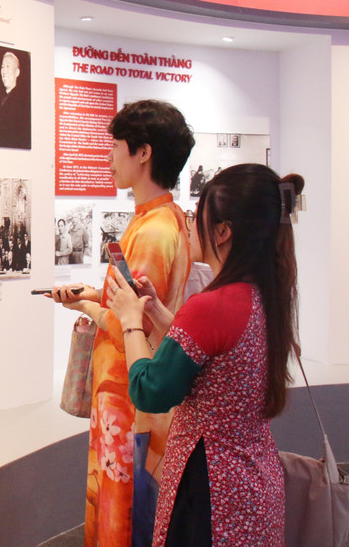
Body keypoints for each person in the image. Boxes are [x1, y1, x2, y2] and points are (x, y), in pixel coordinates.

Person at [106, 164, 301, 545]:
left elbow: (150, 391)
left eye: (198, 215)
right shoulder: (265, 294)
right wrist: (157, 313)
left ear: (223, 231)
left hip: (210, 490)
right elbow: (210, 356)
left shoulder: (212, 304)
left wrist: (130, 320)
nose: (190, 223)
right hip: (254, 485)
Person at [48, 99, 195, 547]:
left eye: (115, 146)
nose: (109, 158)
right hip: (128, 401)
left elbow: (135, 326)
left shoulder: (152, 231)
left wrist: (89, 308)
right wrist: (96, 295)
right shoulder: (164, 219)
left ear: (143, 152)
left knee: (123, 518)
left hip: (130, 405)